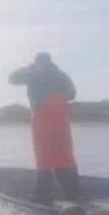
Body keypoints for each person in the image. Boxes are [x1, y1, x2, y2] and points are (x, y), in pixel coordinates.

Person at [9, 52, 79, 205]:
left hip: (43, 118)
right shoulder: (62, 75)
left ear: (37, 63)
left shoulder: (33, 73)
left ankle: (43, 196)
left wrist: (29, 68)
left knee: (44, 157)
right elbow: (72, 94)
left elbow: (12, 78)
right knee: (64, 155)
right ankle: (72, 194)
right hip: (61, 119)